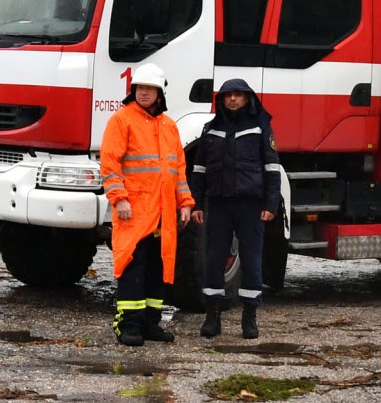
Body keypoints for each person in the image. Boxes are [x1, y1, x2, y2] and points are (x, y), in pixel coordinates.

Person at [98, 63, 194, 347]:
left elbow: (178, 170)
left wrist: (185, 203)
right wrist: (120, 199)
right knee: (132, 266)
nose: (143, 93)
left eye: (149, 89)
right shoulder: (122, 120)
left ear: (159, 93)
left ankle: (151, 323)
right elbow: (110, 164)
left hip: (163, 214)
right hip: (135, 212)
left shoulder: (169, 127)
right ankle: (128, 326)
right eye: (140, 88)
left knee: (157, 268)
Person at [188, 79, 283, 340]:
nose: (232, 100)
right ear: (221, 100)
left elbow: (272, 168)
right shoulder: (211, 128)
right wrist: (196, 203)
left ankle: (249, 318)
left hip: (250, 206)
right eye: (228, 95)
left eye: (237, 95)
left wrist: (271, 204)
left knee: (251, 261)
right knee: (213, 260)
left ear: (247, 98)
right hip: (218, 205)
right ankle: (212, 318)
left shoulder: (261, 126)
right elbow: (199, 170)